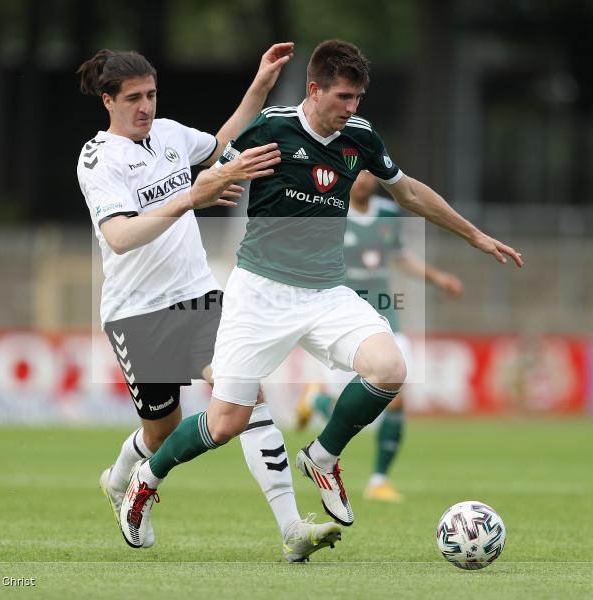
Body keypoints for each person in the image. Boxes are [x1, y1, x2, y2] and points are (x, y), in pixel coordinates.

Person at [117, 39, 522, 546]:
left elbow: (409, 191)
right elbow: (211, 177)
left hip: (326, 292)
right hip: (260, 293)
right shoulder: (271, 128)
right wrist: (221, 178)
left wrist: (474, 235)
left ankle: (324, 457)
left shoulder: (360, 137)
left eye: (358, 100)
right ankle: (146, 479)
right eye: (344, 98)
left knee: (390, 369)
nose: (352, 110)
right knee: (224, 424)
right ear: (315, 90)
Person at [76, 44, 342, 561]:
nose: (146, 107)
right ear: (107, 101)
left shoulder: (171, 134)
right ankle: (121, 479)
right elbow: (122, 237)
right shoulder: (98, 158)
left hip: (198, 295)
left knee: (246, 398)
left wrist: (260, 87)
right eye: (133, 98)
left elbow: (221, 145)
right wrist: (194, 196)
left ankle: (292, 530)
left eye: (151, 94)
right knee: (164, 431)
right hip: (137, 312)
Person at [294, 169, 464, 503]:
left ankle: (379, 480)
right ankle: (317, 402)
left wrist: (437, 277)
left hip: (384, 315)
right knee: (354, 411)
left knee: (396, 396)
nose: (363, 180)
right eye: (358, 174)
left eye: (370, 174)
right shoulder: (331, 209)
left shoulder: (388, 213)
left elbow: (401, 258)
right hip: (341, 319)